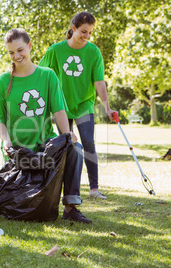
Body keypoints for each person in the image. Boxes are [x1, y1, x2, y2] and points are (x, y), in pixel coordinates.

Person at [0, 28, 92, 223]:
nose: (16, 56)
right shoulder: (2, 82)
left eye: (20, 50)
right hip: (17, 150)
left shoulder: (47, 76)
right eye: (11, 52)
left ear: (29, 46)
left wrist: (67, 135)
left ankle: (71, 207)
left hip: (45, 146)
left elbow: (59, 110)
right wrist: (6, 140)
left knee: (75, 148)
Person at [39, 12, 116, 199]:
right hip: (61, 106)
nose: (87, 36)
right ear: (73, 28)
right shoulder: (55, 51)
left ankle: (94, 189)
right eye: (83, 31)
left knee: (88, 143)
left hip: (84, 104)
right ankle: (64, 190)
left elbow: (99, 82)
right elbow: (40, 75)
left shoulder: (93, 52)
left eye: (90, 32)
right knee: (67, 146)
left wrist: (107, 106)